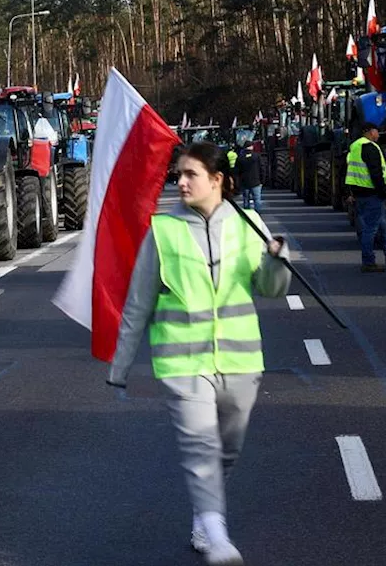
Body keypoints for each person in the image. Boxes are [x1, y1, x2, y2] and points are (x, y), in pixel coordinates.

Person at [108, 142, 291, 566]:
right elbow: (139, 301)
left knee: (227, 448)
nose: (181, 182)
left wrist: (278, 260)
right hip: (182, 362)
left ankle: (203, 516)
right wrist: (120, 364)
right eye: (178, 174)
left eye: (190, 174)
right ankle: (217, 532)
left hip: (240, 361)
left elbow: (271, 289)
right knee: (200, 445)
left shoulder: (249, 223)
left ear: (217, 180)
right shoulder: (163, 230)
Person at [344, 122, 386, 272]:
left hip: (360, 194)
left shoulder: (355, 147)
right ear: (369, 132)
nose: (378, 134)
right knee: (371, 229)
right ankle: (368, 261)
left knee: (381, 225)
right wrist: (384, 190)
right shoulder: (370, 148)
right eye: (376, 131)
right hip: (372, 193)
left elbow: (350, 171)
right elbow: (376, 172)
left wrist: (350, 193)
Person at [236, 143, 263, 213]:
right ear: (252, 146)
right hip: (256, 181)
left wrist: (239, 182)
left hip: (245, 182)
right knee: (257, 199)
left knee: (246, 199)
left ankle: (247, 216)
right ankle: (257, 214)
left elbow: (237, 171)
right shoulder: (257, 156)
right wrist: (262, 180)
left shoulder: (240, 157)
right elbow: (262, 168)